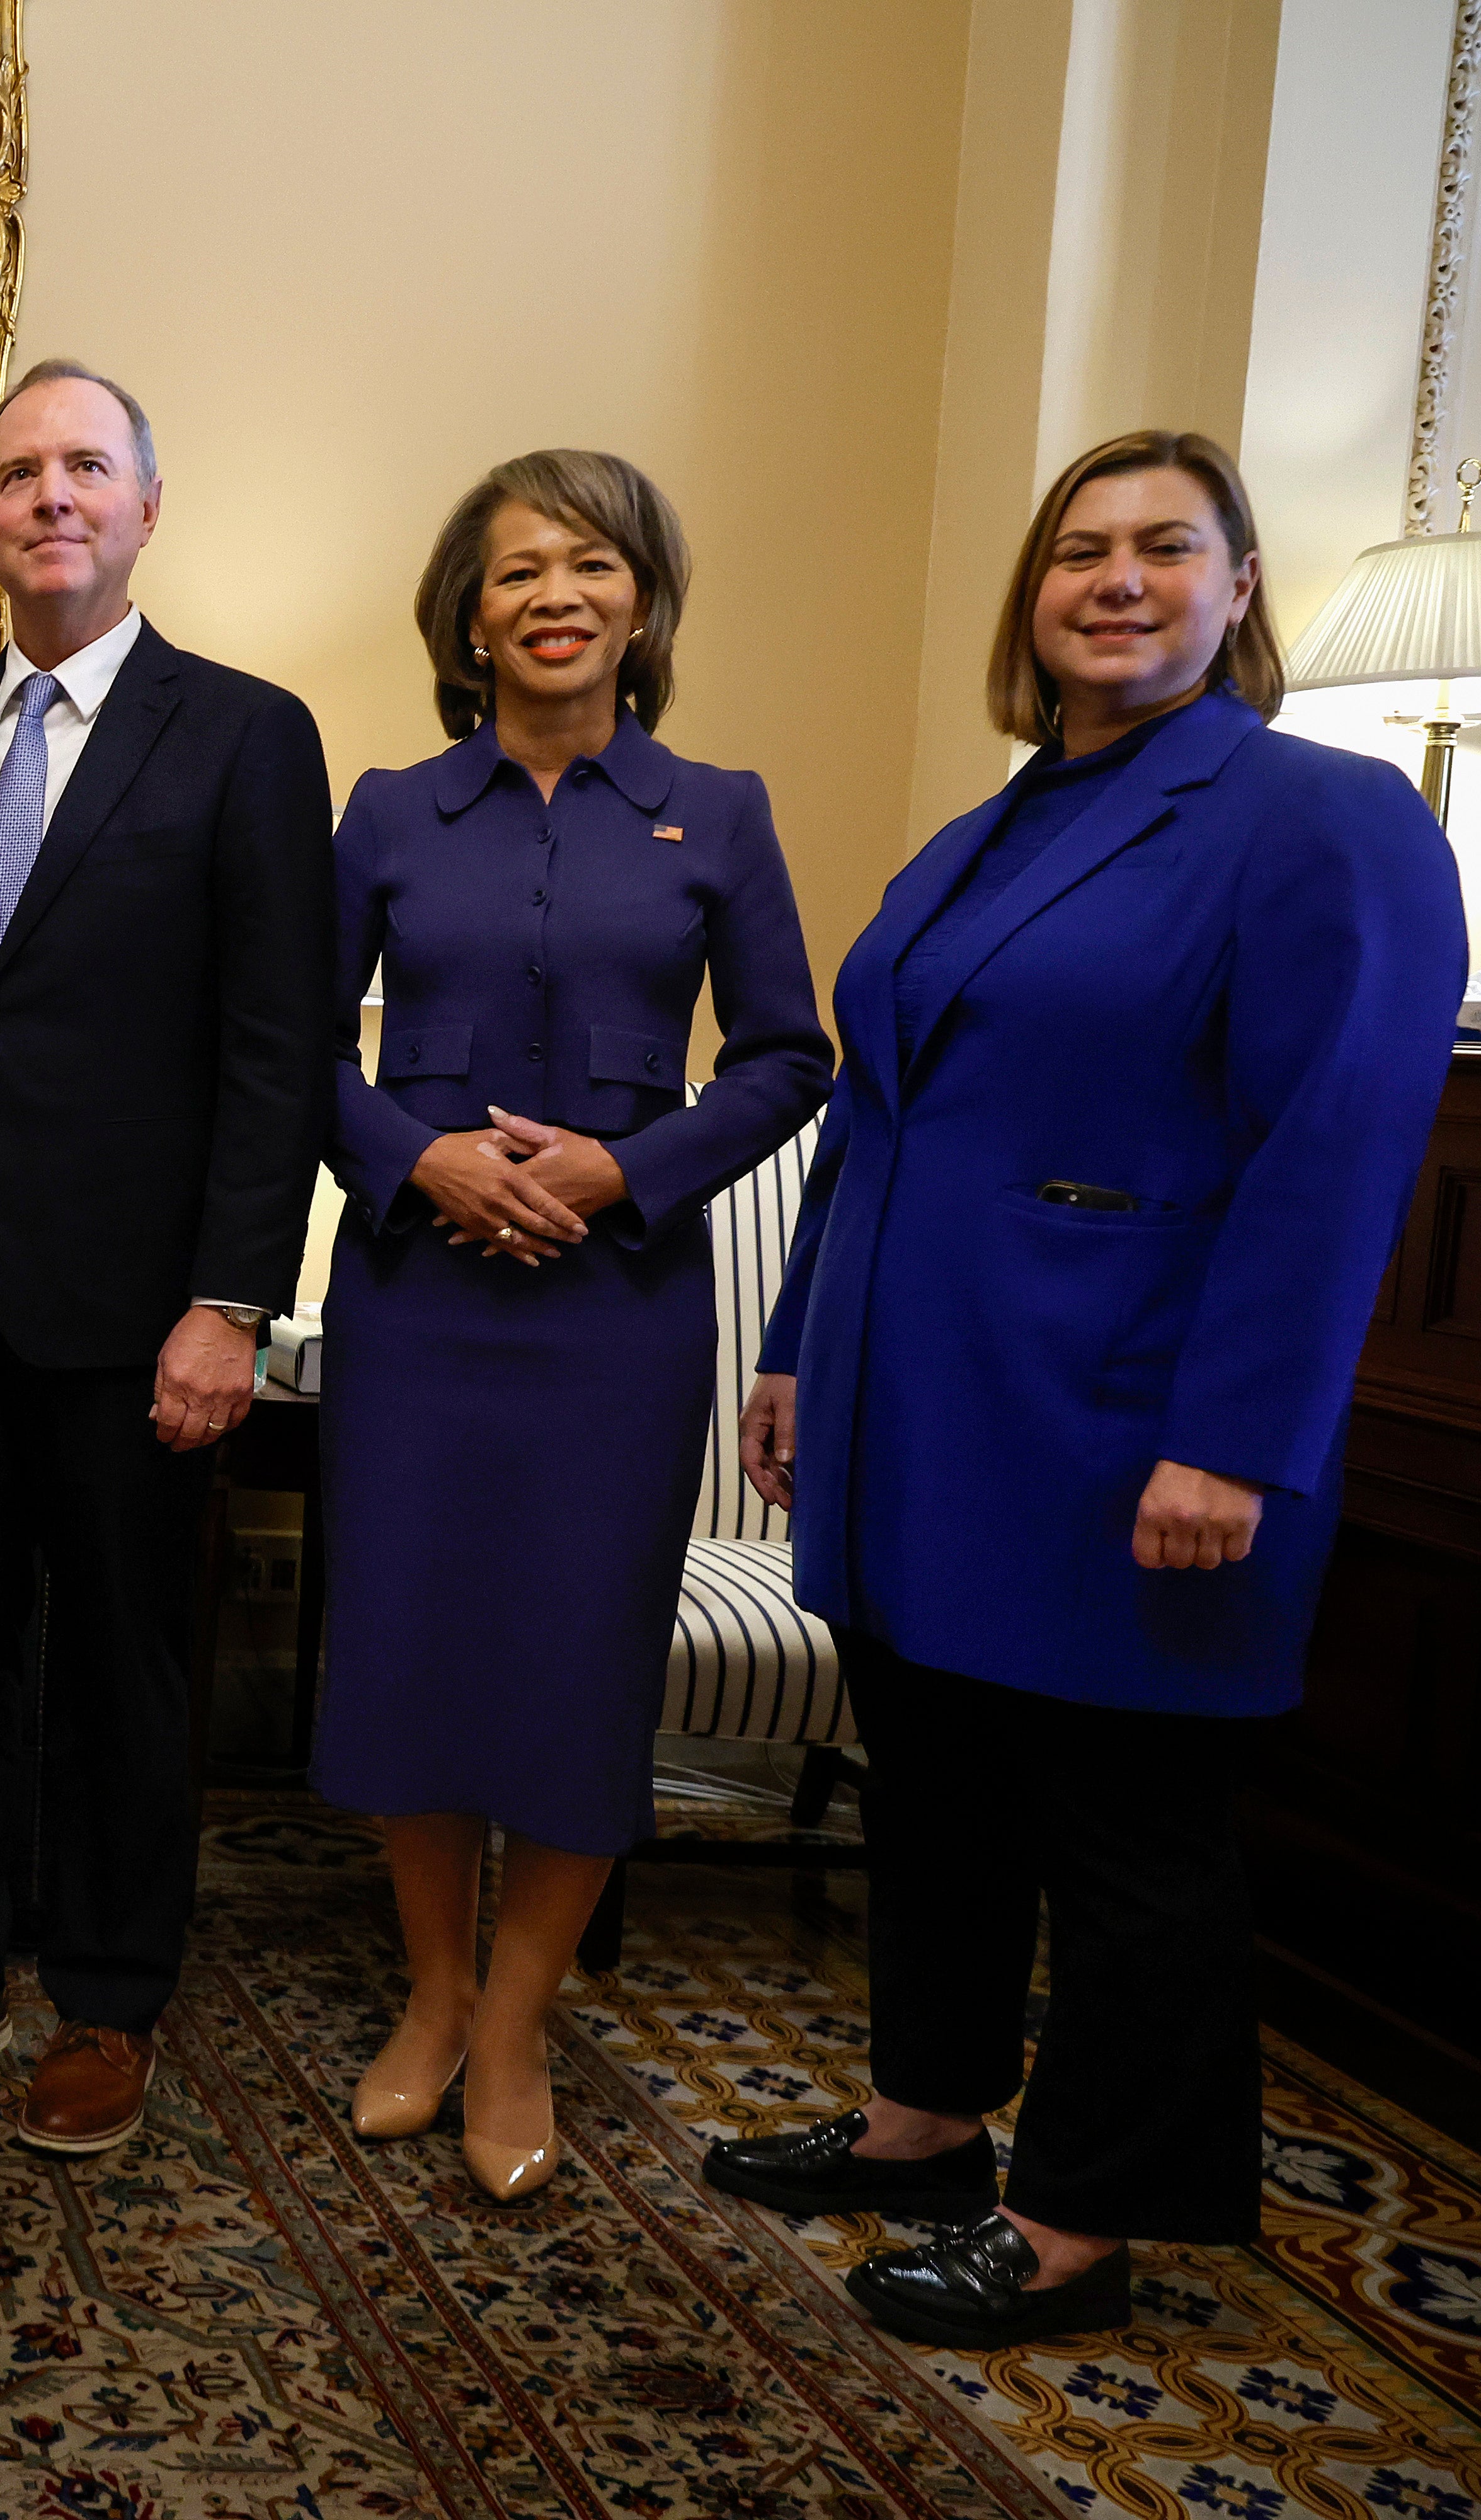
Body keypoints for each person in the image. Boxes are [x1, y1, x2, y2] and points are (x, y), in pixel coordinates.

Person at [702, 432, 1461, 2344]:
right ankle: (923, 2121)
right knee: (938, 1792)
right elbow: (876, 1125)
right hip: (916, 1406)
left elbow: (1337, 1152)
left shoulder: (1324, 817)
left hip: (1128, 1426)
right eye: (1077, 552)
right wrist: (797, 1350)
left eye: (1163, 549)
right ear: (1030, 600)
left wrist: (1238, 1438)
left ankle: (1084, 2222)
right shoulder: (979, 835)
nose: (1114, 581)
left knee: (1129, 1840)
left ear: (1240, 586)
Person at [0, 360, 340, 2155]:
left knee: (123, 1664)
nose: (51, 495)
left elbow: (278, 1041)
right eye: (20, 469)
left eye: (86, 468)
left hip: (139, 1311)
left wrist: (230, 1302)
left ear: (145, 506)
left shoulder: (248, 733)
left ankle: (110, 2000)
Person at [306, 452, 828, 2200]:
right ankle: (435, 1998)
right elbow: (289, 1051)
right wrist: (421, 1158)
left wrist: (625, 1172)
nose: (552, 594)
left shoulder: (722, 811)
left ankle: (521, 2023)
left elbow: (785, 1062)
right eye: (516, 569)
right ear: (468, 616)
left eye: (589, 564)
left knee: (575, 1659)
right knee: (411, 1639)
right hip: (416, 1302)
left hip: (614, 1314)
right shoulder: (388, 810)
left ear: (643, 602)